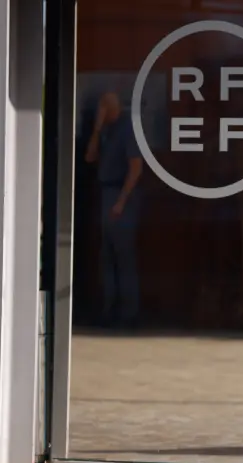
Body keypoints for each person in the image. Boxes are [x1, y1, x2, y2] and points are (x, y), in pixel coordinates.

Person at [84, 91, 144, 328]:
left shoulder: (128, 129)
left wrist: (121, 201)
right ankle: (110, 309)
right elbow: (89, 157)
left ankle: (129, 312)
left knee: (123, 255)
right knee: (107, 256)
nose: (102, 111)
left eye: (105, 107)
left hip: (121, 194)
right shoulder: (106, 130)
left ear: (114, 107)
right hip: (106, 192)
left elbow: (136, 168)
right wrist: (97, 129)